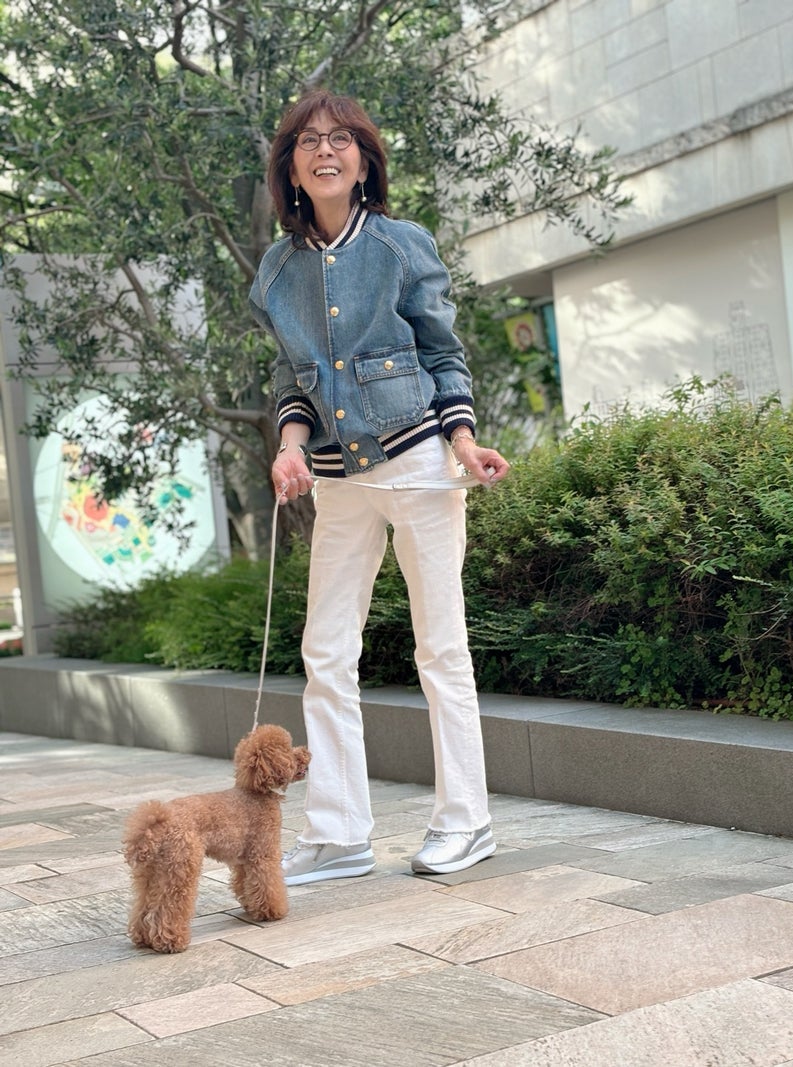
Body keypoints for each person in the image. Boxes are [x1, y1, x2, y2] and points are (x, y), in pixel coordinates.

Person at [249, 90, 510, 885]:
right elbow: (295, 381)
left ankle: (466, 820)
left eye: (341, 139)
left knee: (441, 646)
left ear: (364, 162)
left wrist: (462, 441)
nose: (325, 151)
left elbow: (443, 355)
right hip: (338, 481)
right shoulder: (278, 271)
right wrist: (290, 449)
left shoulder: (402, 245)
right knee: (325, 651)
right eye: (308, 141)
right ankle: (338, 833)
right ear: (291, 168)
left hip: (420, 462)